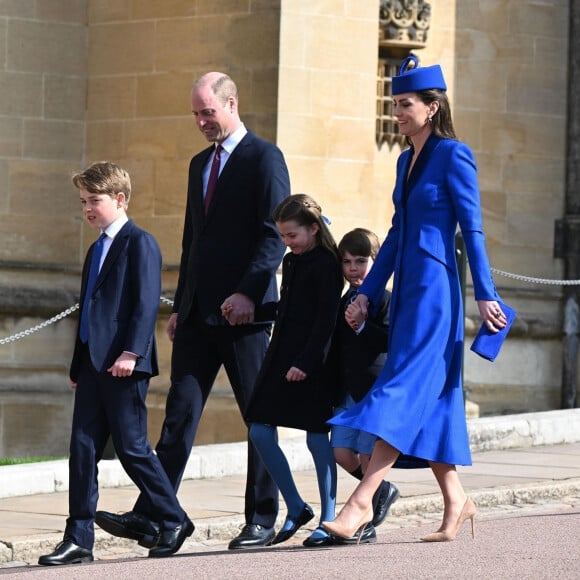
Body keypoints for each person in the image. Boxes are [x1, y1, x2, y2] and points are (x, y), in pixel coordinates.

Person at [95, 72, 290, 550]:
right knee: (178, 416)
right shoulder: (198, 163)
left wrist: (247, 292)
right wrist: (181, 305)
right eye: (197, 114)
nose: (202, 122)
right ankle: (158, 516)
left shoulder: (265, 158)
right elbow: (192, 242)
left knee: (258, 418)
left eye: (209, 111)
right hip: (200, 317)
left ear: (231, 103)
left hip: (246, 317)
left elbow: (274, 236)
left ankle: (262, 519)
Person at [323, 56, 508, 544]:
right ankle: (457, 502)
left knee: (401, 386)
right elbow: (397, 231)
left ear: (432, 106)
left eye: (404, 105)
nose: (397, 113)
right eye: (394, 105)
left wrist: (486, 295)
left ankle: (361, 501)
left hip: (437, 293)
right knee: (435, 399)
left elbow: (473, 230)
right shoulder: (405, 159)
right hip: (407, 292)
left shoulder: (454, 154)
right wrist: (364, 294)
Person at [38, 162, 193, 566]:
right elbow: (88, 310)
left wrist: (132, 353)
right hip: (92, 364)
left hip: (125, 363)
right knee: (83, 450)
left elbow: (145, 305)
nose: (87, 209)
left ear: (120, 199)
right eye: (83, 202)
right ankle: (79, 538)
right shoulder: (96, 249)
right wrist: (77, 365)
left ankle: (174, 518)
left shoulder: (140, 243)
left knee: (132, 448)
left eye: (95, 201)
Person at [244, 194, 344, 548]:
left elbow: (325, 320)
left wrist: (305, 362)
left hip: (314, 362)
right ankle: (297, 505)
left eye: (292, 235)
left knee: (318, 439)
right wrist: (253, 309)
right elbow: (289, 308)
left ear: (313, 229)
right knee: (258, 430)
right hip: (280, 357)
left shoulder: (328, 264)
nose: (287, 243)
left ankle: (329, 518)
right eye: (283, 236)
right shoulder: (293, 260)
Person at [328, 228, 400, 545]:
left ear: (376, 262)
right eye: (347, 262)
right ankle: (380, 488)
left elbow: (389, 340)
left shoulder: (384, 300)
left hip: (374, 388)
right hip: (348, 389)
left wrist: (360, 326)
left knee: (367, 453)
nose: (353, 269)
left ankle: (364, 519)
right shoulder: (343, 299)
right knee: (342, 452)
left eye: (361, 261)